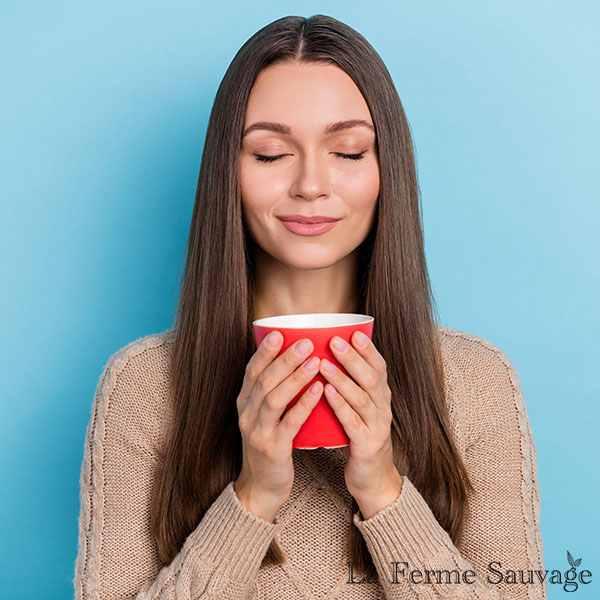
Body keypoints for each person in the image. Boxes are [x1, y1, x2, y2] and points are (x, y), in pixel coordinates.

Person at [73, 13, 546, 600]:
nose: (311, 185)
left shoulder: (477, 385)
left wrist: (383, 491)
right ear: (230, 173)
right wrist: (252, 497)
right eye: (271, 154)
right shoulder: (143, 389)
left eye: (347, 151)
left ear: (384, 170)